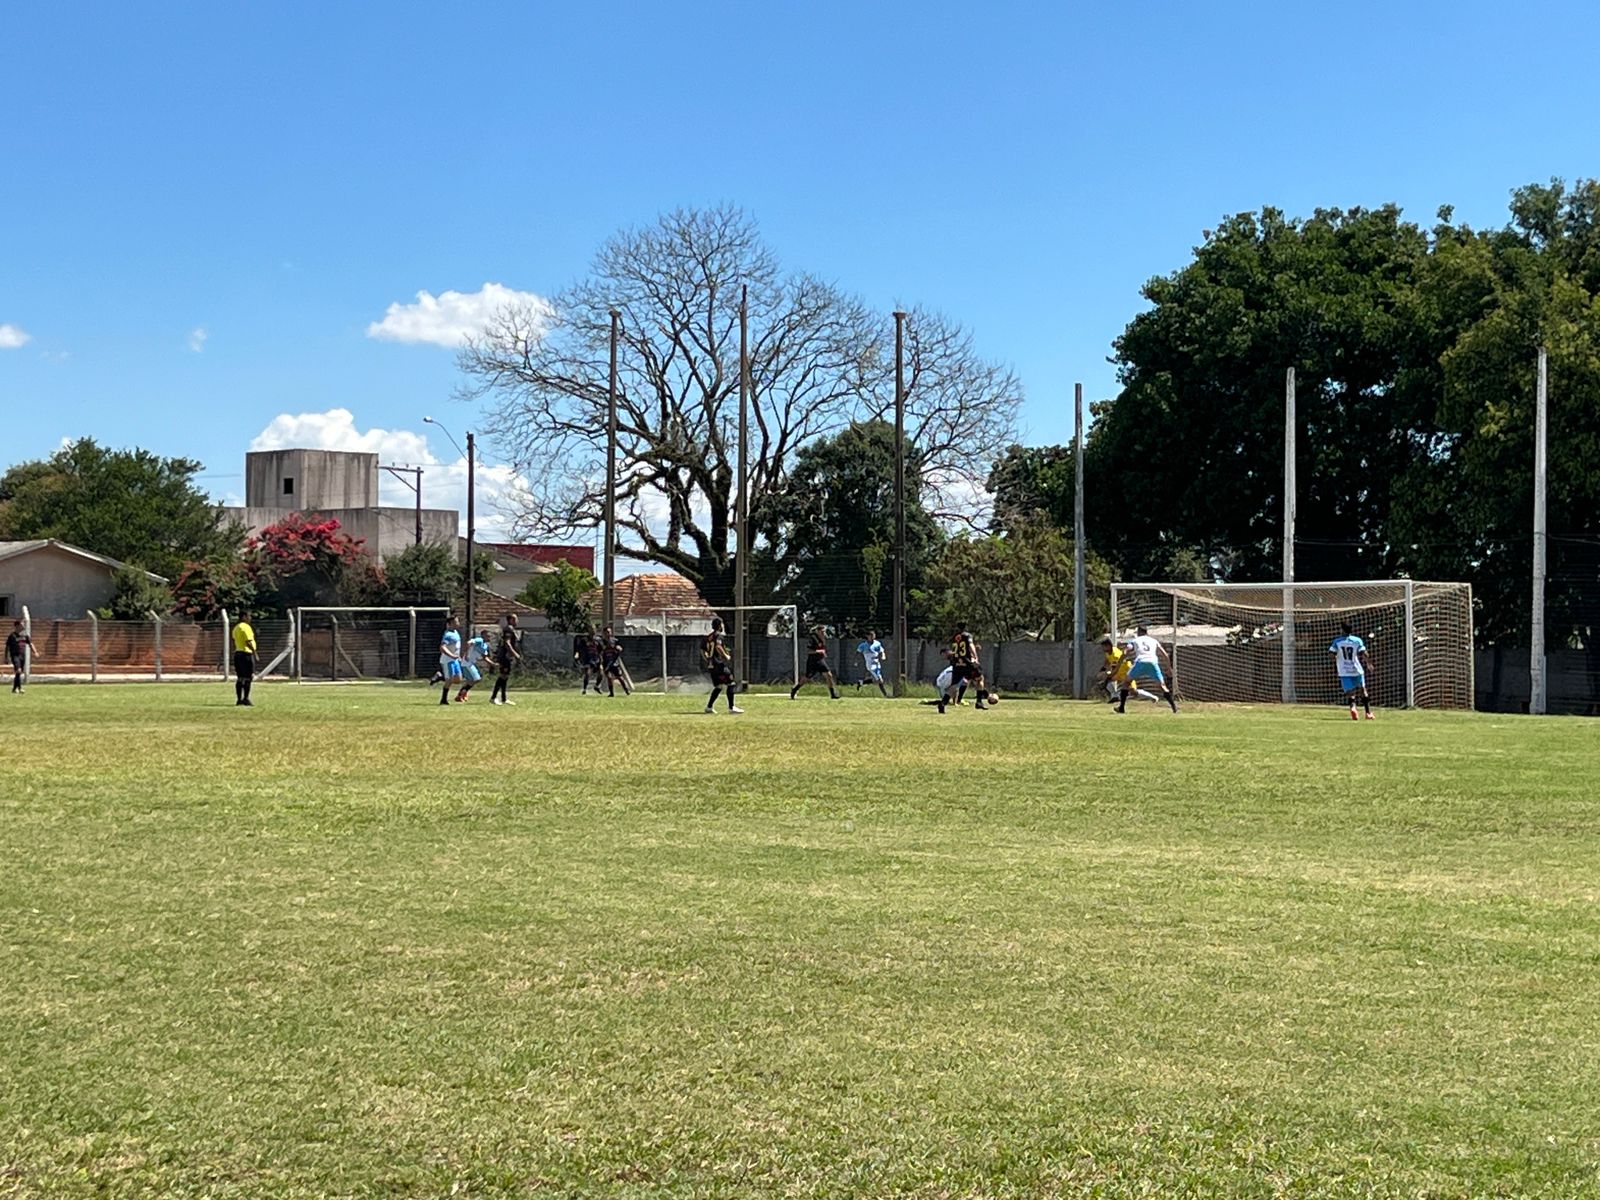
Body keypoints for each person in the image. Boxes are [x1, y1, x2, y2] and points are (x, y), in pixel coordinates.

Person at [1117, 625, 1179, 713]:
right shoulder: (1154, 641)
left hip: (1140, 662)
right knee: (1163, 686)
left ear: (1139, 632)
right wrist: (1168, 668)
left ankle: (1121, 707)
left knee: (1126, 683)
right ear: (1147, 632)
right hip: (1153, 663)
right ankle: (1174, 707)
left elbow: (1126, 651)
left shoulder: (1135, 640)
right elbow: (1165, 654)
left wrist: (1120, 662)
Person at [1330, 621, 1375, 720]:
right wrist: (1369, 663)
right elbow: (1364, 653)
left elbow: (1331, 654)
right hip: (1356, 669)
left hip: (1343, 670)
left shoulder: (1337, 642)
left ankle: (1353, 707)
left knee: (1350, 692)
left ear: (1342, 630)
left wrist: (1337, 661)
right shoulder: (1357, 640)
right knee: (1363, 690)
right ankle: (1368, 713)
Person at [1098, 635, 1159, 706]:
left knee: (1134, 692)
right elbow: (1108, 661)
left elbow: (1116, 668)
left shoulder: (1116, 654)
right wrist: (1103, 670)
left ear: (1108, 646)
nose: (1102, 648)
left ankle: (1153, 697)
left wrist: (1108, 674)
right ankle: (1114, 696)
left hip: (1126, 672)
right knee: (1108, 679)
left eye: (1103, 646)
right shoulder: (1108, 652)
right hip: (1119, 672)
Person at [940, 627, 990, 713]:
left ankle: (943, 703)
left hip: (957, 663)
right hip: (967, 663)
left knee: (954, 685)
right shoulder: (967, 635)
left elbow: (956, 650)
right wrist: (975, 657)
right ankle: (979, 702)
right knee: (980, 678)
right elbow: (970, 645)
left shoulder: (954, 637)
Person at [700, 616, 742, 713]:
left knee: (718, 686)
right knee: (731, 683)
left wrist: (707, 659)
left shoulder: (707, 637)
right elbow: (718, 646)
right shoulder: (718, 636)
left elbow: (702, 650)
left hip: (711, 665)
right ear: (719, 626)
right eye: (721, 625)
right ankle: (732, 708)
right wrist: (726, 656)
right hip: (718, 664)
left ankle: (709, 707)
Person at [790, 625, 842, 701]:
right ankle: (794, 689)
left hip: (820, 660)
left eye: (824, 631)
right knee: (807, 678)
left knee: (829, 675)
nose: (823, 633)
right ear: (817, 631)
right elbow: (809, 651)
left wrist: (823, 653)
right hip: (813, 661)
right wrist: (819, 651)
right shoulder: (813, 638)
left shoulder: (823, 639)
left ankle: (832, 694)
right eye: (822, 631)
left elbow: (822, 648)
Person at [490, 613, 521, 705]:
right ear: (511, 620)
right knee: (502, 676)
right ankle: (493, 697)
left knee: (505, 677)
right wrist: (515, 654)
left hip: (508, 656)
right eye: (515, 619)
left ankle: (504, 698)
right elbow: (507, 643)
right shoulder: (509, 629)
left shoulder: (511, 629)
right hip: (505, 656)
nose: (517, 621)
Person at [455, 628, 492, 703]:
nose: (489, 637)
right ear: (483, 636)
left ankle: (461, 694)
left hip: (471, 663)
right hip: (467, 663)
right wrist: (466, 654)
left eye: (489, 636)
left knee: (470, 681)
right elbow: (469, 643)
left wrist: (493, 664)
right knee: (476, 679)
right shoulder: (479, 640)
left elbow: (484, 657)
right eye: (487, 636)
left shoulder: (485, 646)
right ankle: (461, 694)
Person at [230, 610, 257, 706]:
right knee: (249, 677)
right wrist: (255, 652)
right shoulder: (246, 627)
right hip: (246, 654)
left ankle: (238, 699)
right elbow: (248, 641)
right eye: (249, 616)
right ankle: (246, 698)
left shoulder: (236, 628)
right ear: (244, 617)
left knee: (240, 678)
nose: (250, 618)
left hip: (238, 654)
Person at [437, 616, 463, 706]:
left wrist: (457, 656)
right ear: (451, 623)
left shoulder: (455, 632)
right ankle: (443, 700)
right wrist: (451, 655)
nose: (458, 623)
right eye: (456, 621)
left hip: (455, 660)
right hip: (448, 660)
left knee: (458, 679)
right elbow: (442, 647)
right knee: (450, 679)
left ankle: (440, 677)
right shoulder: (448, 634)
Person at [855, 630, 889, 697]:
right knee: (880, 680)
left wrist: (883, 655)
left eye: (874, 636)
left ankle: (861, 682)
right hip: (871, 665)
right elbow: (858, 653)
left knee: (876, 680)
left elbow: (882, 651)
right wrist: (856, 661)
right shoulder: (863, 645)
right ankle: (886, 695)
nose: (873, 637)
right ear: (867, 637)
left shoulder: (877, 644)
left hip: (877, 664)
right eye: (871, 636)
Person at [600, 626, 632, 697]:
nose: (608, 634)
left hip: (614, 662)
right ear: (604, 633)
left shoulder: (615, 640)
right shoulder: (601, 642)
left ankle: (626, 690)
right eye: (607, 632)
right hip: (606, 662)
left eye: (609, 632)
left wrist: (619, 648)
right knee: (609, 677)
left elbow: (620, 647)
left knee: (620, 677)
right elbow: (600, 652)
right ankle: (611, 693)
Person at [7, 620, 34, 694]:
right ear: (17, 626)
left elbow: (30, 643)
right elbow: (7, 647)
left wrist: (35, 652)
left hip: (22, 656)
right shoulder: (12, 636)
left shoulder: (25, 636)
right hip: (15, 655)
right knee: (18, 670)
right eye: (21, 625)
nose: (23, 626)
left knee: (19, 672)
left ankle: (16, 688)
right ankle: (18, 688)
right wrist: (5, 657)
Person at [574, 629, 602, 694]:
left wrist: (601, 659)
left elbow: (601, 650)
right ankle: (584, 689)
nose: (592, 633)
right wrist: (577, 654)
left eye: (594, 631)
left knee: (601, 673)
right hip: (588, 659)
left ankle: (596, 686)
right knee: (587, 674)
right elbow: (578, 648)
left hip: (596, 659)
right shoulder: (584, 640)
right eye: (591, 631)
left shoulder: (598, 640)